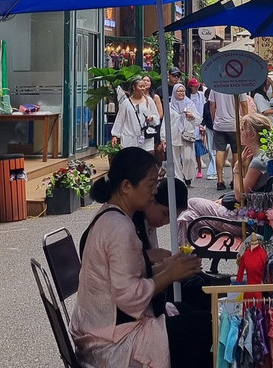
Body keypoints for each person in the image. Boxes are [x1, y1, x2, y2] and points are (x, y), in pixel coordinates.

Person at [71, 147, 211, 368]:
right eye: (151, 184)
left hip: (105, 329)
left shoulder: (112, 216)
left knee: (194, 316)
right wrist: (170, 274)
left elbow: (127, 278)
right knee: (206, 328)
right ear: (126, 186)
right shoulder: (118, 227)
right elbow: (129, 297)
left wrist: (168, 266)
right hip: (112, 342)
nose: (155, 192)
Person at [221, 112, 273, 208]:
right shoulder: (263, 155)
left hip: (250, 208)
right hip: (257, 203)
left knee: (193, 203)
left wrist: (237, 167)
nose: (239, 132)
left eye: (242, 129)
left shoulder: (258, 161)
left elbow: (239, 196)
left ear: (253, 135)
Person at [113, 75, 164, 157]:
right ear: (134, 87)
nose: (143, 88)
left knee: (145, 161)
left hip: (145, 139)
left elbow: (157, 117)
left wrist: (151, 118)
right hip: (129, 139)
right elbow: (120, 119)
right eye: (140, 86)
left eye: (144, 86)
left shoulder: (149, 101)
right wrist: (115, 135)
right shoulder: (126, 103)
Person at [208, 88, 248, 192]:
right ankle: (234, 179)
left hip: (219, 124)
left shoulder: (216, 86)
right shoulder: (239, 85)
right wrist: (246, 121)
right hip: (235, 124)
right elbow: (244, 104)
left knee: (220, 151)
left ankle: (219, 180)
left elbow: (212, 104)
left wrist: (214, 120)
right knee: (236, 152)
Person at [168, 84, 199, 185]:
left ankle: (187, 175)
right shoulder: (170, 106)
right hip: (174, 134)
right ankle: (179, 179)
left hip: (187, 134)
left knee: (188, 158)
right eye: (179, 91)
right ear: (174, 92)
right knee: (175, 159)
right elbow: (166, 121)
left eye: (183, 91)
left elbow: (198, 120)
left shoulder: (190, 104)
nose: (181, 93)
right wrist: (163, 137)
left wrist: (192, 116)